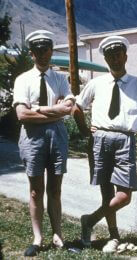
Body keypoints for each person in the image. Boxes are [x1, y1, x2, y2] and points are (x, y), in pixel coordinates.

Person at [73, 35, 137, 253]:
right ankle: (113, 236)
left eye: (117, 54)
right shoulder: (96, 83)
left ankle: (89, 220)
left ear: (125, 56)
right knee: (107, 193)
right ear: (105, 59)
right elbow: (76, 107)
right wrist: (86, 131)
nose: (114, 59)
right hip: (100, 140)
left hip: (125, 140)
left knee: (124, 196)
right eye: (110, 56)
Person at [12, 30, 75, 256]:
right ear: (32, 53)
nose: (43, 54)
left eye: (46, 49)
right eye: (38, 50)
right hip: (32, 137)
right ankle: (38, 238)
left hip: (57, 136)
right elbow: (22, 115)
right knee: (36, 191)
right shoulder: (23, 80)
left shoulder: (60, 78)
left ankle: (58, 235)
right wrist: (55, 111)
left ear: (51, 50)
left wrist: (38, 108)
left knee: (55, 188)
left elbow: (68, 108)